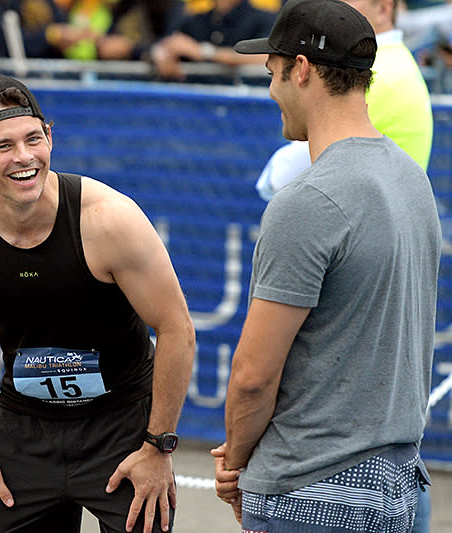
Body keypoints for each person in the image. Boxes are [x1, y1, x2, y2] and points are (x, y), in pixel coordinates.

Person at [0, 73, 196, 533]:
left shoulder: (109, 220)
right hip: (24, 430)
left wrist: (157, 446)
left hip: (123, 428)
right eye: (4, 146)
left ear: (50, 137)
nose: (25, 158)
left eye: (34, 139)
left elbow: (176, 330)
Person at [209, 0, 441, 531]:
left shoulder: (307, 201)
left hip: (309, 490)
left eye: (273, 73)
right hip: (398, 486)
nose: (272, 91)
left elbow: (252, 376)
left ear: (302, 70)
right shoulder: (413, 180)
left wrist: (237, 462)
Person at [255, 0, 434, 201]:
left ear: (384, 9)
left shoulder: (379, 72)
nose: (336, 7)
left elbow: (280, 179)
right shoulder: (394, 63)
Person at [150, 0, 277, 81]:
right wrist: (161, 55)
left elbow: (267, 56)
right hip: (198, 105)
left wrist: (205, 52)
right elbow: (165, 44)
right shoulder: (195, 21)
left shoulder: (263, 19)